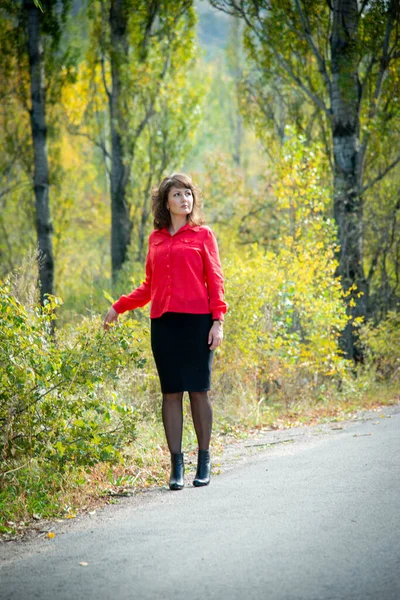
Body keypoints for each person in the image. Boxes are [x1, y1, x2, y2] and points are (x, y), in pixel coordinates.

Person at [103, 173, 227, 490]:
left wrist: (218, 321)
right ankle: (176, 467)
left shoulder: (203, 235)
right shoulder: (156, 238)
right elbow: (149, 285)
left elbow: (215, 280)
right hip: (164, 324)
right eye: (177, 194)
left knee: (199, 390)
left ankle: (204, 460)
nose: (184, 199)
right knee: (171, 392)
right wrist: (119, 306)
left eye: (188, 193)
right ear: (165, 201)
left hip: (198, 322)